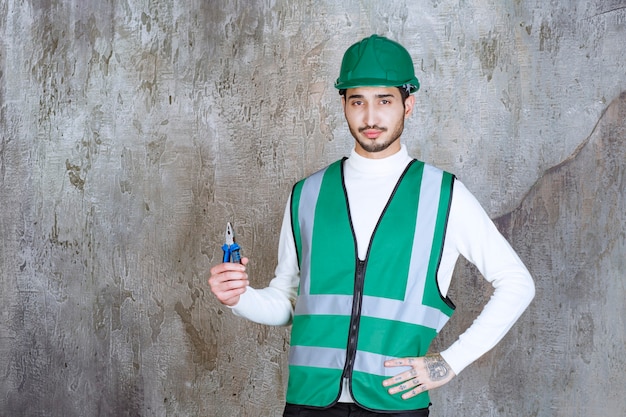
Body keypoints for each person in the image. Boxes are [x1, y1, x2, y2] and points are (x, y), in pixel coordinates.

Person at [209, 34, 535, 417]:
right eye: (357, 101)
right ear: (343, 105)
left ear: (407, 104)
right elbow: (288, 302)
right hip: (308, 403)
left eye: (384, 101)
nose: (370, 117)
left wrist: (449, 361)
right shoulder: (307, 194)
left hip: (394, 405)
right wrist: (239, 298)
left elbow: (517, 283)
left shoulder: (445, 195)